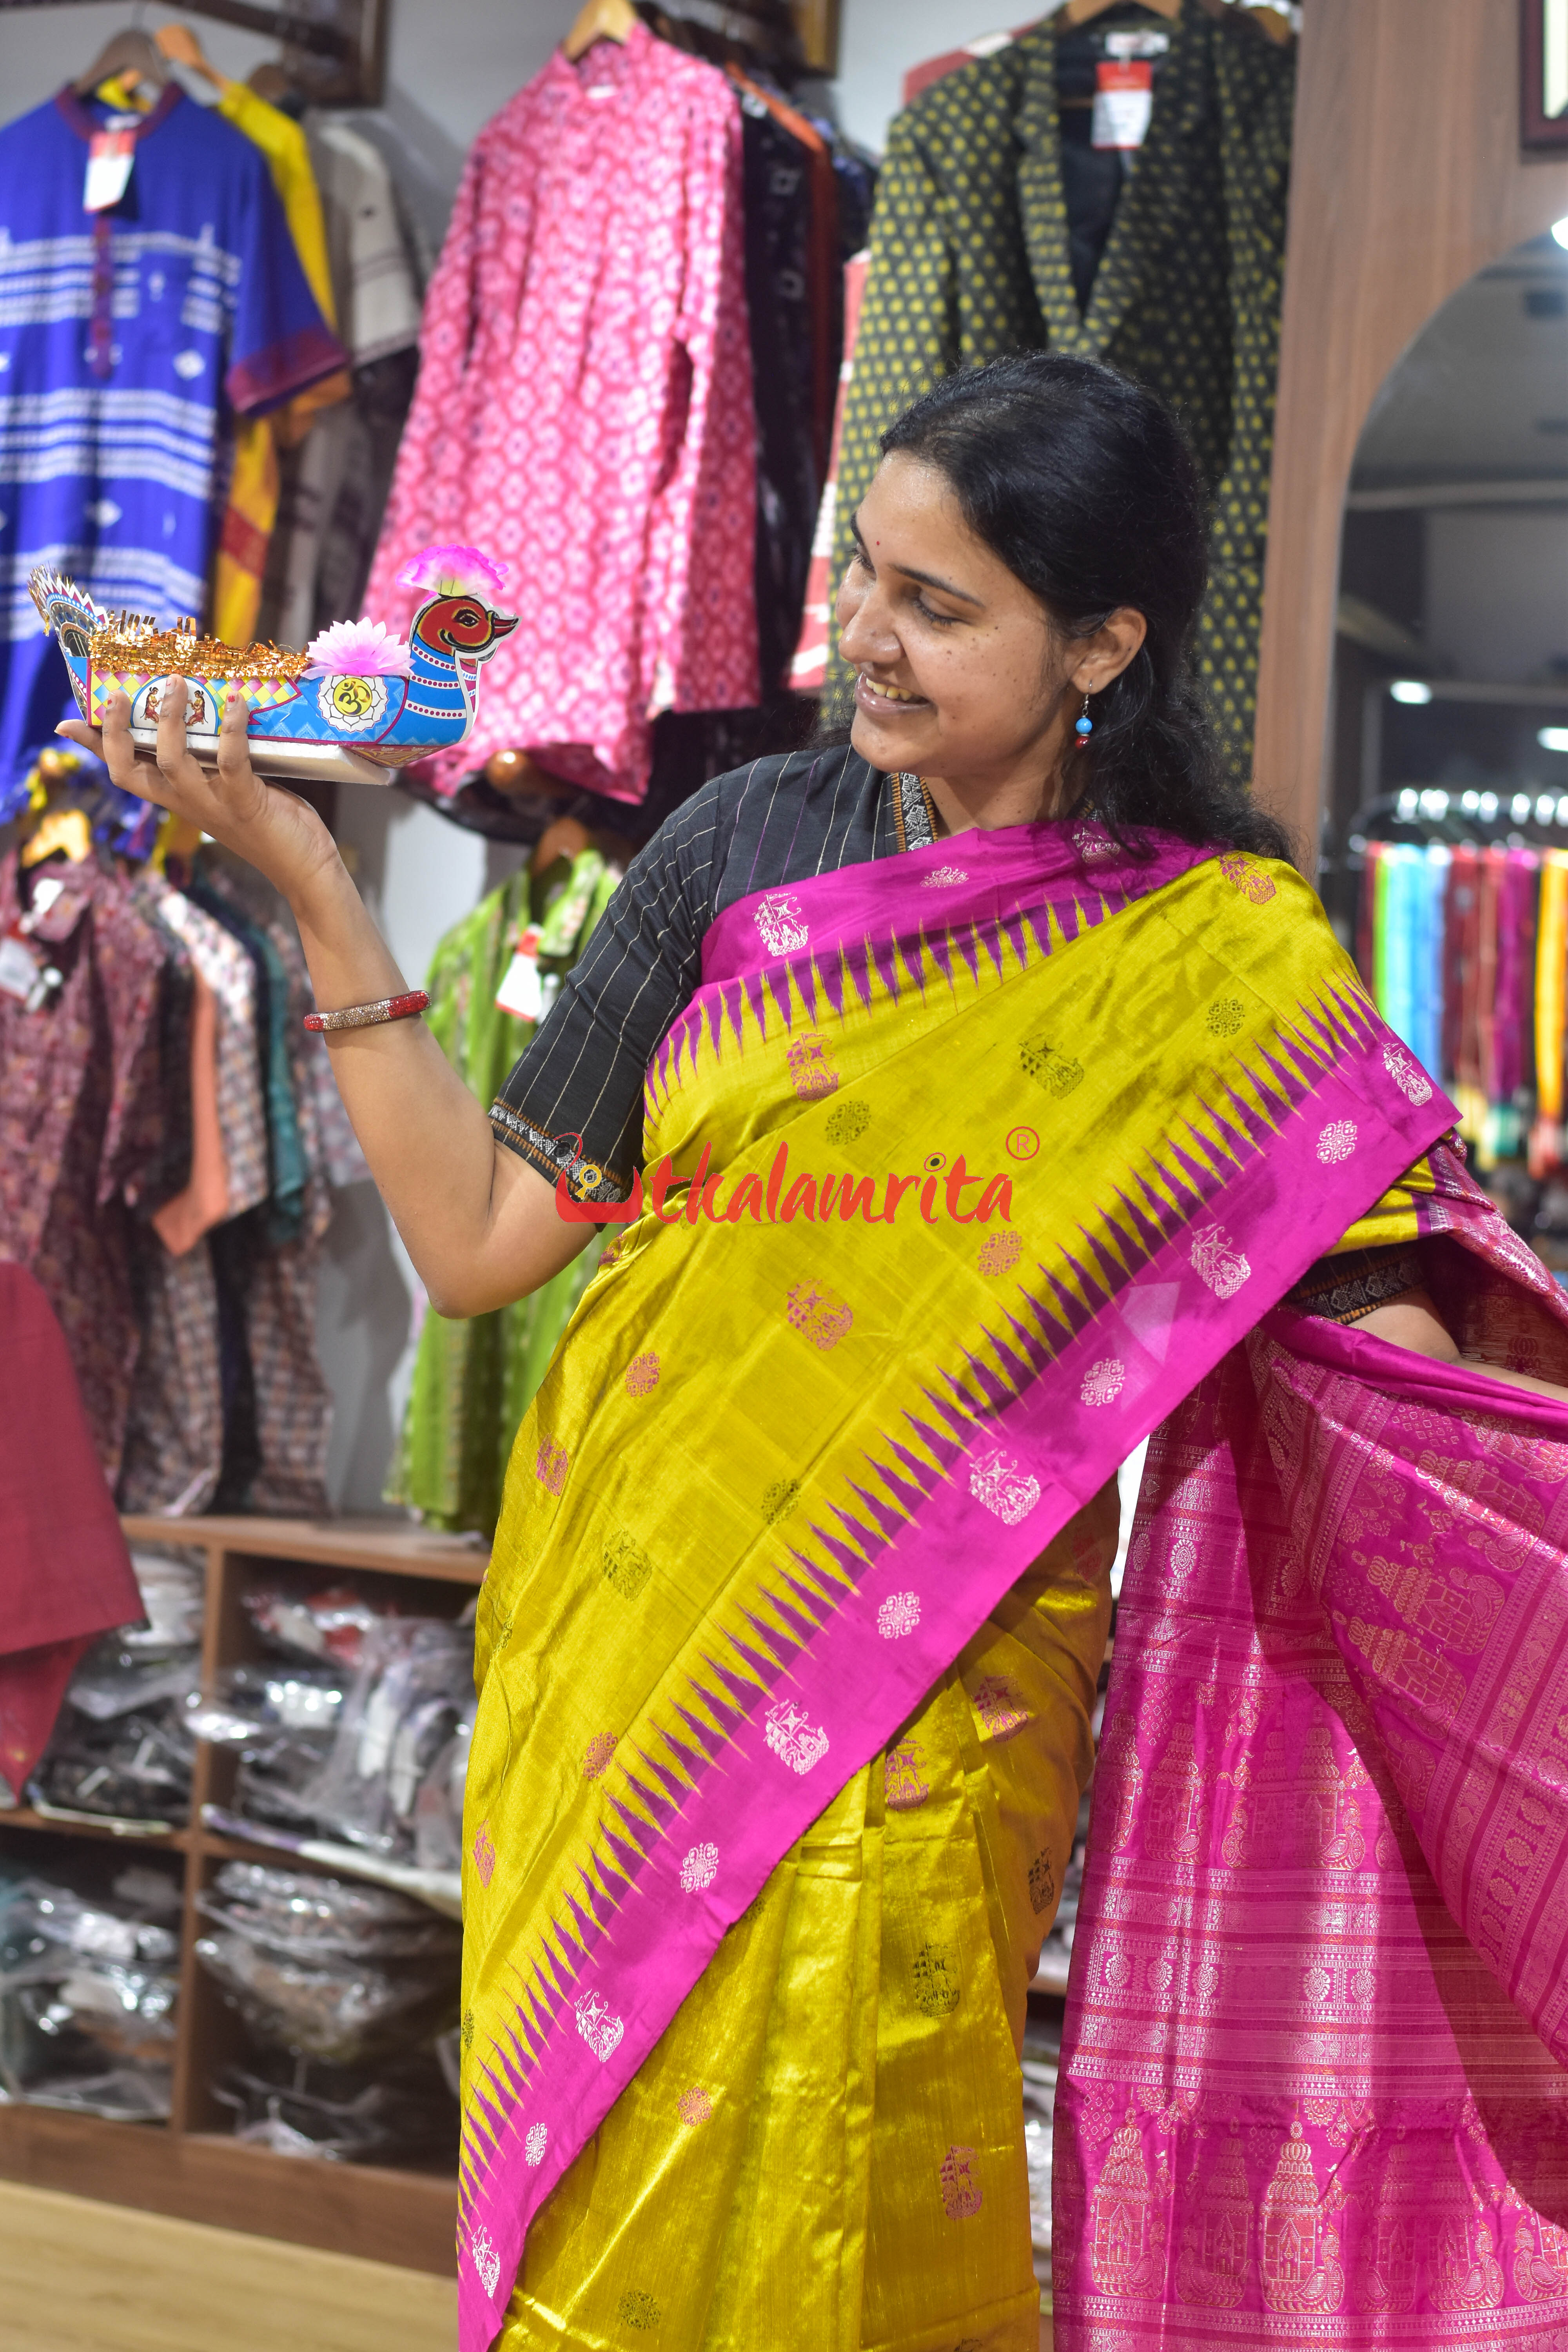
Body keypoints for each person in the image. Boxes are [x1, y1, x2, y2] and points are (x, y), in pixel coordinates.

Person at [64, 352, 1568, 2352]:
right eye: (866, 574)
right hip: (619, 1634)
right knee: (602, 2170)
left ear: (1102, 640)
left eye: (938, 608)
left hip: (929, 1695)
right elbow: (484, 1240)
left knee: (848, 2163)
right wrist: (322, 894)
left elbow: (1383, 1315)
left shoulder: (1212, 950)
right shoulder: (738, 842)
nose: (863, 635)